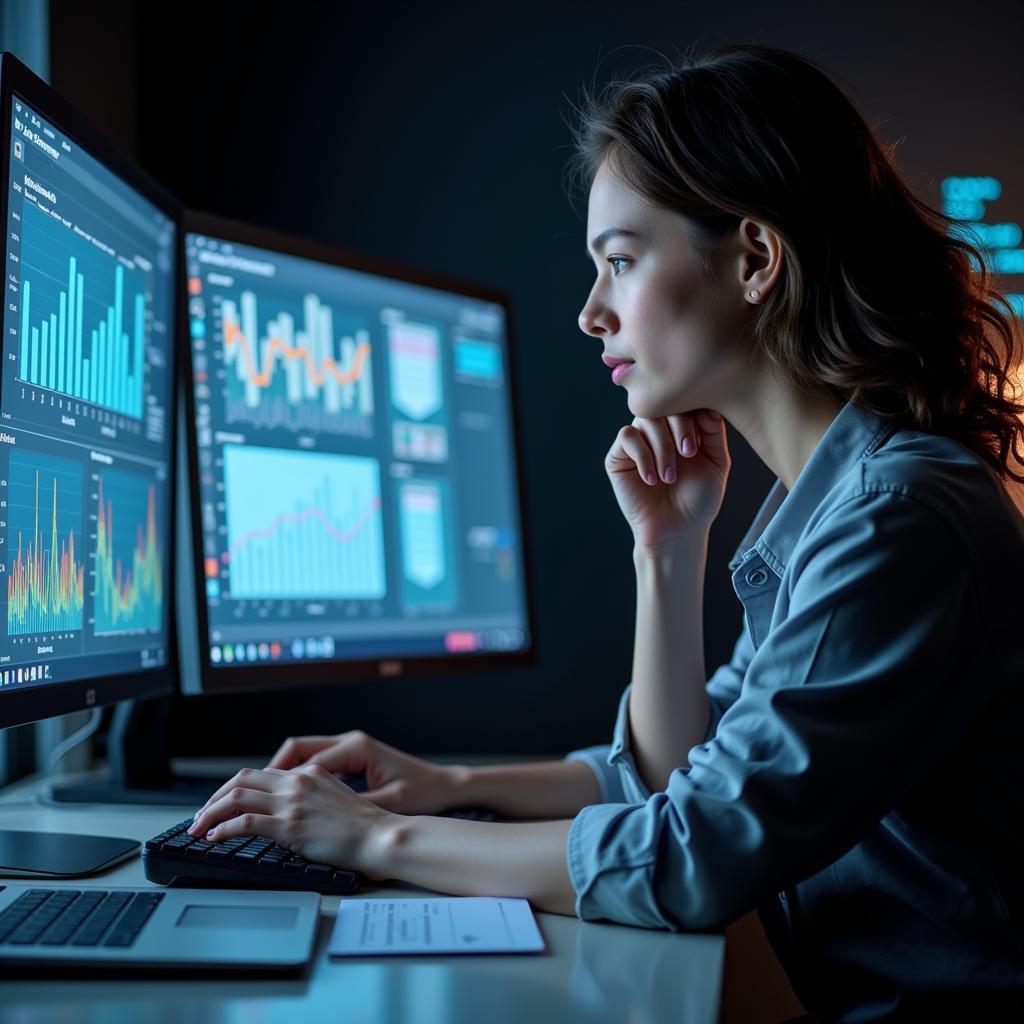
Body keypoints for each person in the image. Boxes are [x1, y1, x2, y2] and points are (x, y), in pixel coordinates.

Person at [188, 44, 1024, 1019]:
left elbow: (693, 851)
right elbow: (689, 771)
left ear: (755, 259)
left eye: (620, 262)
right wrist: (665, 558)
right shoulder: (839, 504)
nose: (590, 313)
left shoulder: (895, 519)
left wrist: (370, 837)